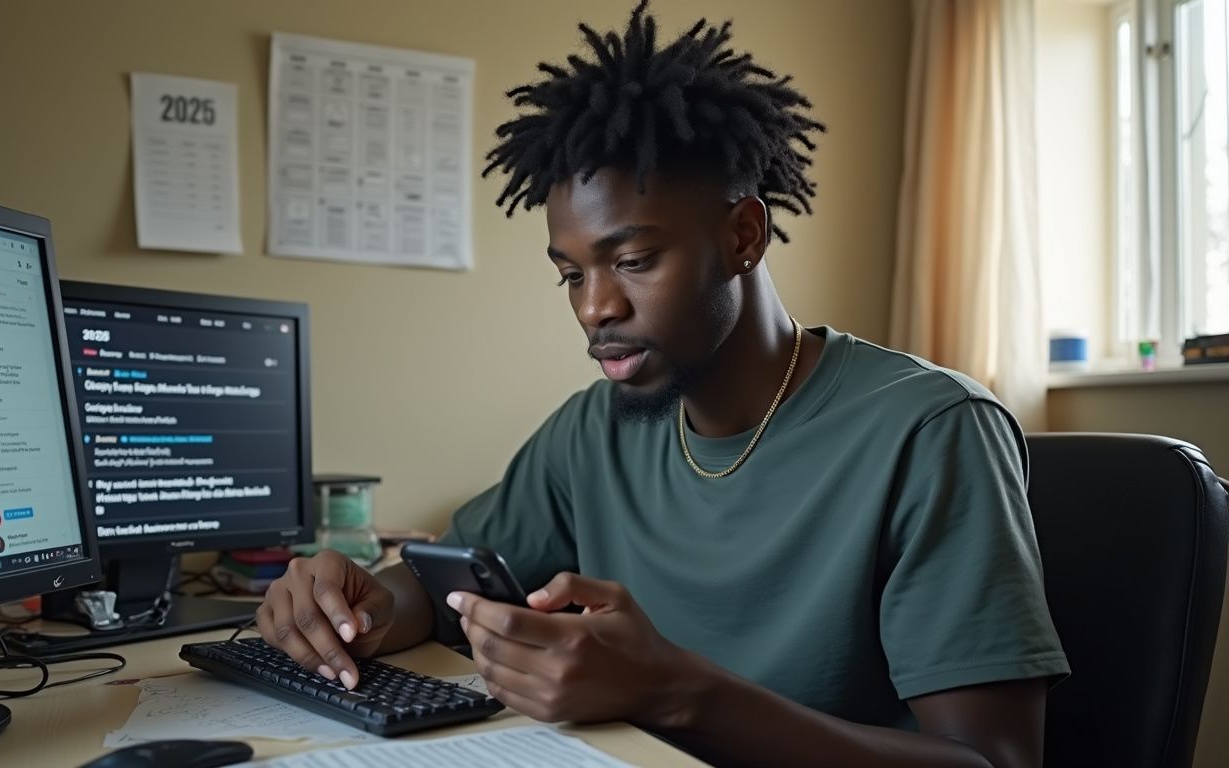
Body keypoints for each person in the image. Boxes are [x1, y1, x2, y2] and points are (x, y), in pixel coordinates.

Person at [257, 3, 1069, 766]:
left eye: (635, 260)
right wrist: (352, 608)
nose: (596, 307)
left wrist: (674, 691)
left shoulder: (929, 431)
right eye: (570, 275)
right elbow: (446, 591)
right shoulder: (594, 431)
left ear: (744, 235)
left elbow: (991, 760)